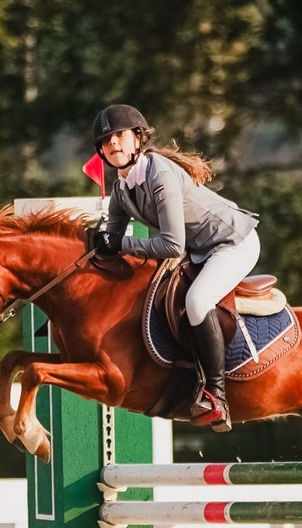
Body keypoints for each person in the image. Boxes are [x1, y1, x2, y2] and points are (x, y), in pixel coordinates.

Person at [90, 104, 260, 432]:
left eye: (119, 136)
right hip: (200, 251)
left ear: (137, 138)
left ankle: (216, 394)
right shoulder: (120, 190)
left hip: (232, 242)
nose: (113, 144)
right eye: (106, 141)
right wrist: (94, 243)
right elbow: (108, 241)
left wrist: (120, 245)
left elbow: (171, 245)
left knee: (196, 301)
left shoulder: (160, 175)